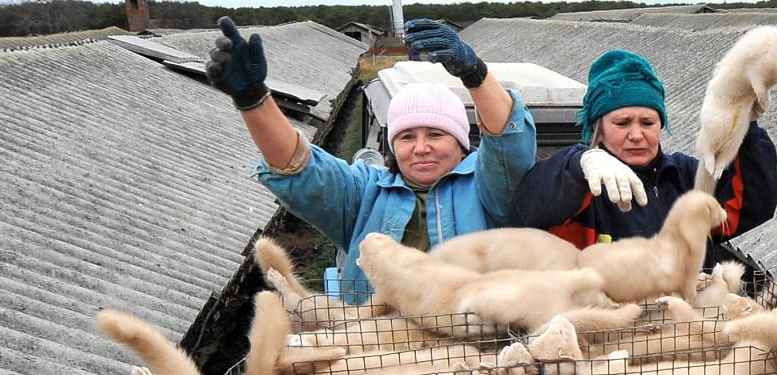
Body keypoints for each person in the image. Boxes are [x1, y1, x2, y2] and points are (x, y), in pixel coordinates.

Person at [204, 17, 537, 302]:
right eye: (407, 137)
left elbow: (509, 144)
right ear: (393, 146)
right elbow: (299, 169)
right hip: (375, 350)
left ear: (462, 143)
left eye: (436, 135)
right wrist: (253, 100)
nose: (421, 147)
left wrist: (475, 74)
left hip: (470, 347)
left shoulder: (487, 189)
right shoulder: (366, 191)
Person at [511, 48, 777, 262]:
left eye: (648, 123)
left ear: (661, 125)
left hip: (687, 321)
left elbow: (750, 207)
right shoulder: (583, 185)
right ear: (598, 129)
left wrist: (744, 128)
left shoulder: (687, 176)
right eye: (622, 123)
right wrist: (579, 164)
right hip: (612, 323)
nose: (636, 135)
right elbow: (529, 209)